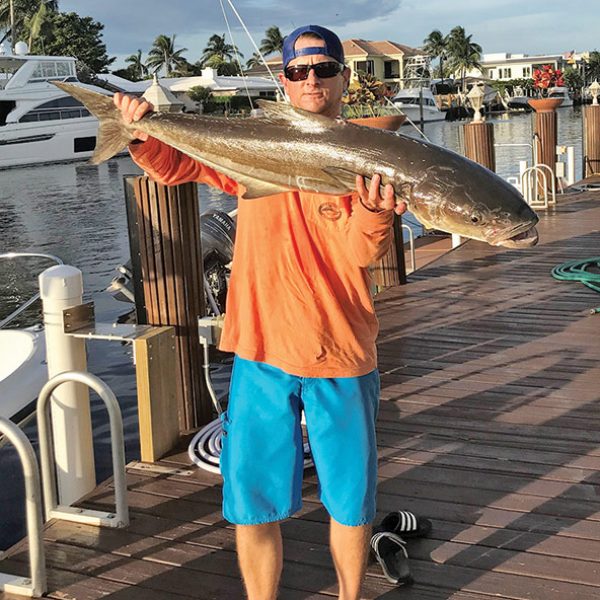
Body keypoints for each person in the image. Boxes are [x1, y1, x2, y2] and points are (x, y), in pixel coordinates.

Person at [115, 24, 406, 600]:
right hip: (260, 349)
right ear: (284, 80)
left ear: (344, 77)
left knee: (350, 500)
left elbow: (357, 253)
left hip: (340, 350)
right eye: (300, 71)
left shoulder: (365, 155)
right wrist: (139, 130)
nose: (312, 79)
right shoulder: (253, 142)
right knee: (253, 502)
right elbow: (178, 168)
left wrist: (376, 214)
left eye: (324, 68)